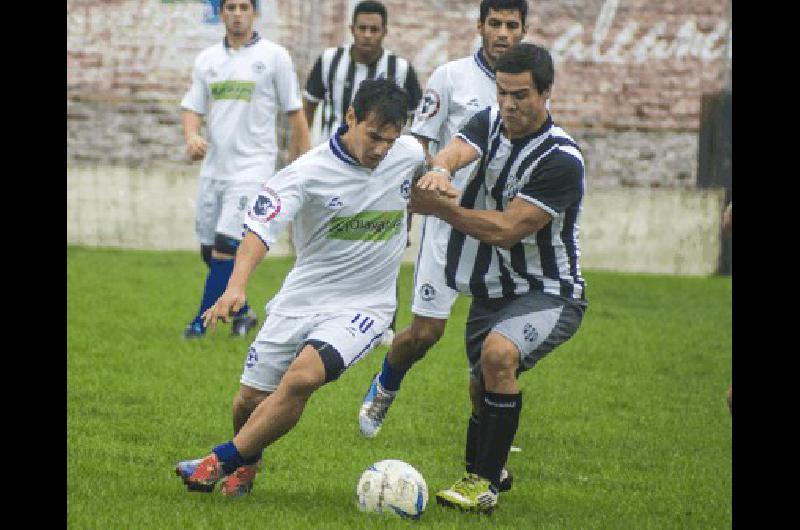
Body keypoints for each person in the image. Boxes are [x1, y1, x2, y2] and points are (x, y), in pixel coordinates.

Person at [174, 78, 457, 497]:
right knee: (248, 402)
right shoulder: (307, 172)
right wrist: (236, 287)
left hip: (366, 304)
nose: (381, 149)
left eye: (390, 139)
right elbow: (258, 229)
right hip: (301, 297)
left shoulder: (409, 154)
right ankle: (247, 465)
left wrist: (438, 178)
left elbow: (428, 169)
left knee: (303, 378)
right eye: (374, 136)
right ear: (350, 118)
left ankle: (218, 461)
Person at [408, 42, 588, 514]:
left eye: (521, 95)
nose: (509, 105)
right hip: (495, 288)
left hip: (551, 291)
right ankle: (488, 469)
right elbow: (453, 152)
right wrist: (440, 174)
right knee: (479, 384)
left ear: (546, 93)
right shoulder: (490, 120)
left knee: (498, 355)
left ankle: (482, 483)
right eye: (503, 93)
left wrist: (444, 211)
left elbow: (508, 230)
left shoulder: (561, 160)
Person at [358, 0, 530, 467]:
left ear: (523, 29)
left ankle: (490, 452)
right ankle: (387, 381)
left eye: (512, 25)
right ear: (480, 26)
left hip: (499, 231)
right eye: (494, 23)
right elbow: (421, 140)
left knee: (495, 351)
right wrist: (425, 180)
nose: (503, 33)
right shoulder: (451, 77)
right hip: (447, 226)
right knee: (426, 332)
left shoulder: (529, 83)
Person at [180, 0, 311, 339]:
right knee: (209, 251)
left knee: (226, 243)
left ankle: (200, 323)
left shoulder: (274, 57)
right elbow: (193, 107)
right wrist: (192, 135)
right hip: (214, 169)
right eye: (230, 7)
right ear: (221, 13)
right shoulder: (207, 60)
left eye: (243, 7)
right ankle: (243, 311)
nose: (237, 13)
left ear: (254, 13)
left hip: (253, 167)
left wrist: (305, 161)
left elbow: (295, 114)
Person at [302, 0, 422, 143]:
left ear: (385, 32)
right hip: (331, 153)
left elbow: (418, 120)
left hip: (381, 159)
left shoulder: (401, 69)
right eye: (362, 28)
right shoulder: (329, 60)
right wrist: (300, 152)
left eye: (374, 30)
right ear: (352, 29)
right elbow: (307, 109)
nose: (367, 35)